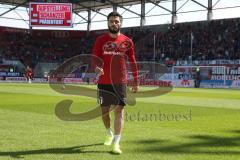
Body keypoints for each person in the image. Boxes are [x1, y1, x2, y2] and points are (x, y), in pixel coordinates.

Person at [92, 12, 139, 154]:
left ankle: (117, 144)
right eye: (111, 21)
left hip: (120, 82)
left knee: (119, 111)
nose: (114, 23)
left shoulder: (128, 41)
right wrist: (96, 67)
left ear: (121, 23)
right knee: (104, 112)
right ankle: (109, 132)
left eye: (117, 21)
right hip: (104, 81)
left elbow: (132, 61)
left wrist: (136, 81)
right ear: (108, 23)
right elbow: (94, 57)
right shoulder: (100, 40)